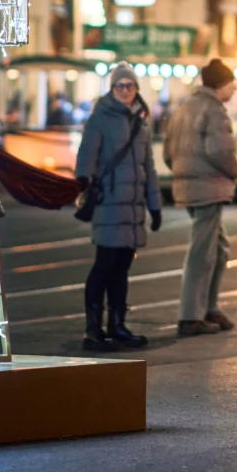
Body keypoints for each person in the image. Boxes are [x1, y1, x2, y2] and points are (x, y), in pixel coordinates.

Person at [76, 63, 161, 352]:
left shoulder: (141, 120)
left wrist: (155, 205)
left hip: (133, 207)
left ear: (136, 89)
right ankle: (93, 330)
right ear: (112, 89)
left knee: (122, 266)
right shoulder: (100, 117)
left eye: (130, 85)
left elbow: (147, 165)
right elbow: (87, 154)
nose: (125, 90)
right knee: (104, 264)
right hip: (109, 202)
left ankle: (117, 324)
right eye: (119, 86)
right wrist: (82, 180)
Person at [166, 58, 237, 337]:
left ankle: (209, 307)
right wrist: (235, 171)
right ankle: (190, 316)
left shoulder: (184, 108)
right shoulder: (214, 111)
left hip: (189, 184)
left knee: (219, 248)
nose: (234, 90)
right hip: (208, 187)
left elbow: (168, 150)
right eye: (232, 85)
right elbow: (219, 151)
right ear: (221, 85)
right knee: (202, 253)